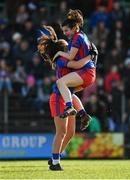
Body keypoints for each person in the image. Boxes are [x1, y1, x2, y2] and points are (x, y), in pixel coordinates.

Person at [37, 30, 93, 170]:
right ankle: (55, 163)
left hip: (67, 97)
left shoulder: (64, 59)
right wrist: (91, 57)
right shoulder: (63, 60)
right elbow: (78, 65)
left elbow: (75, 89)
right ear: (62, 50)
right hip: (58, 99)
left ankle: (54, 157)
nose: (70, 49)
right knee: (61, 132)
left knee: (70, 133)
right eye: (67, 47)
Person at [53, 9, 98, 118]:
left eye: (66, 30)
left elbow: (71, 57)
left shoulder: (77, 37)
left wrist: (59, 53)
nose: (64, 33)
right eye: (63, 31)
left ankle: (69, 107)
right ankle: (83, 115)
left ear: (74, 28)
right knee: (68, 91)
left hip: (86, 72)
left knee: (60, 83)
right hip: (88, 73)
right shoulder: (82, 35)